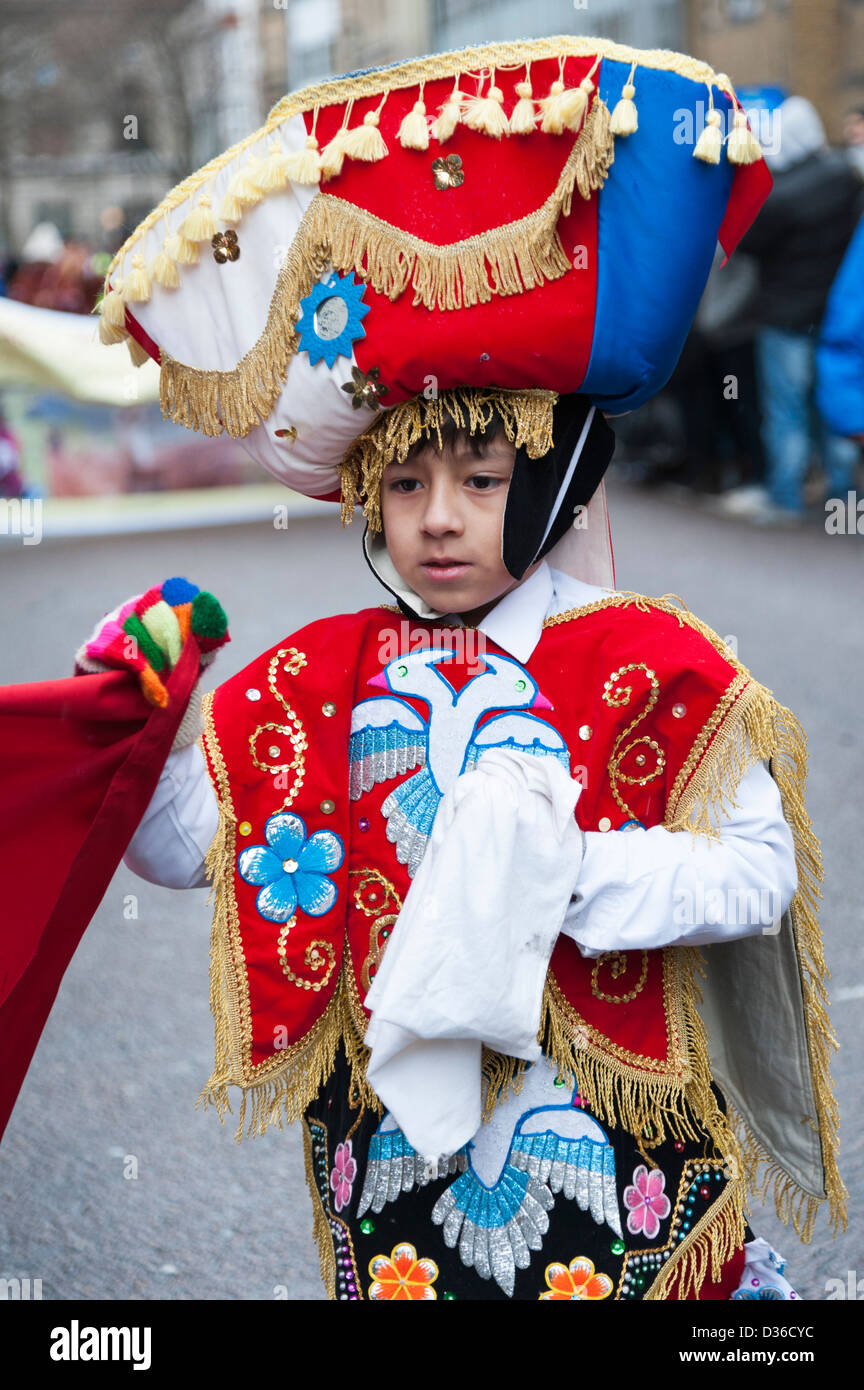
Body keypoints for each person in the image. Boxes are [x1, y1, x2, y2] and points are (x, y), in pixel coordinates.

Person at [2, 35, 845, 1302]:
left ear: (550, 485)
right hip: (398, 1212)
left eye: (480, 480)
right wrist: (150, 720)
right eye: (405, 484)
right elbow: (187, 850)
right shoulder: (316, 678)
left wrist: (560, 872)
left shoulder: (648, 660)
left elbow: (757, 871)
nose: (438, 518)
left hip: (621, 1190)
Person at [734, 96, 863, 523]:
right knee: (830, 408)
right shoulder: (845, 178)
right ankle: (843, 500)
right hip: (832, 317)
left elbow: (744, 243)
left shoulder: (778, 197)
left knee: (785, 412)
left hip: (785, 320)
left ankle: (786, 497)